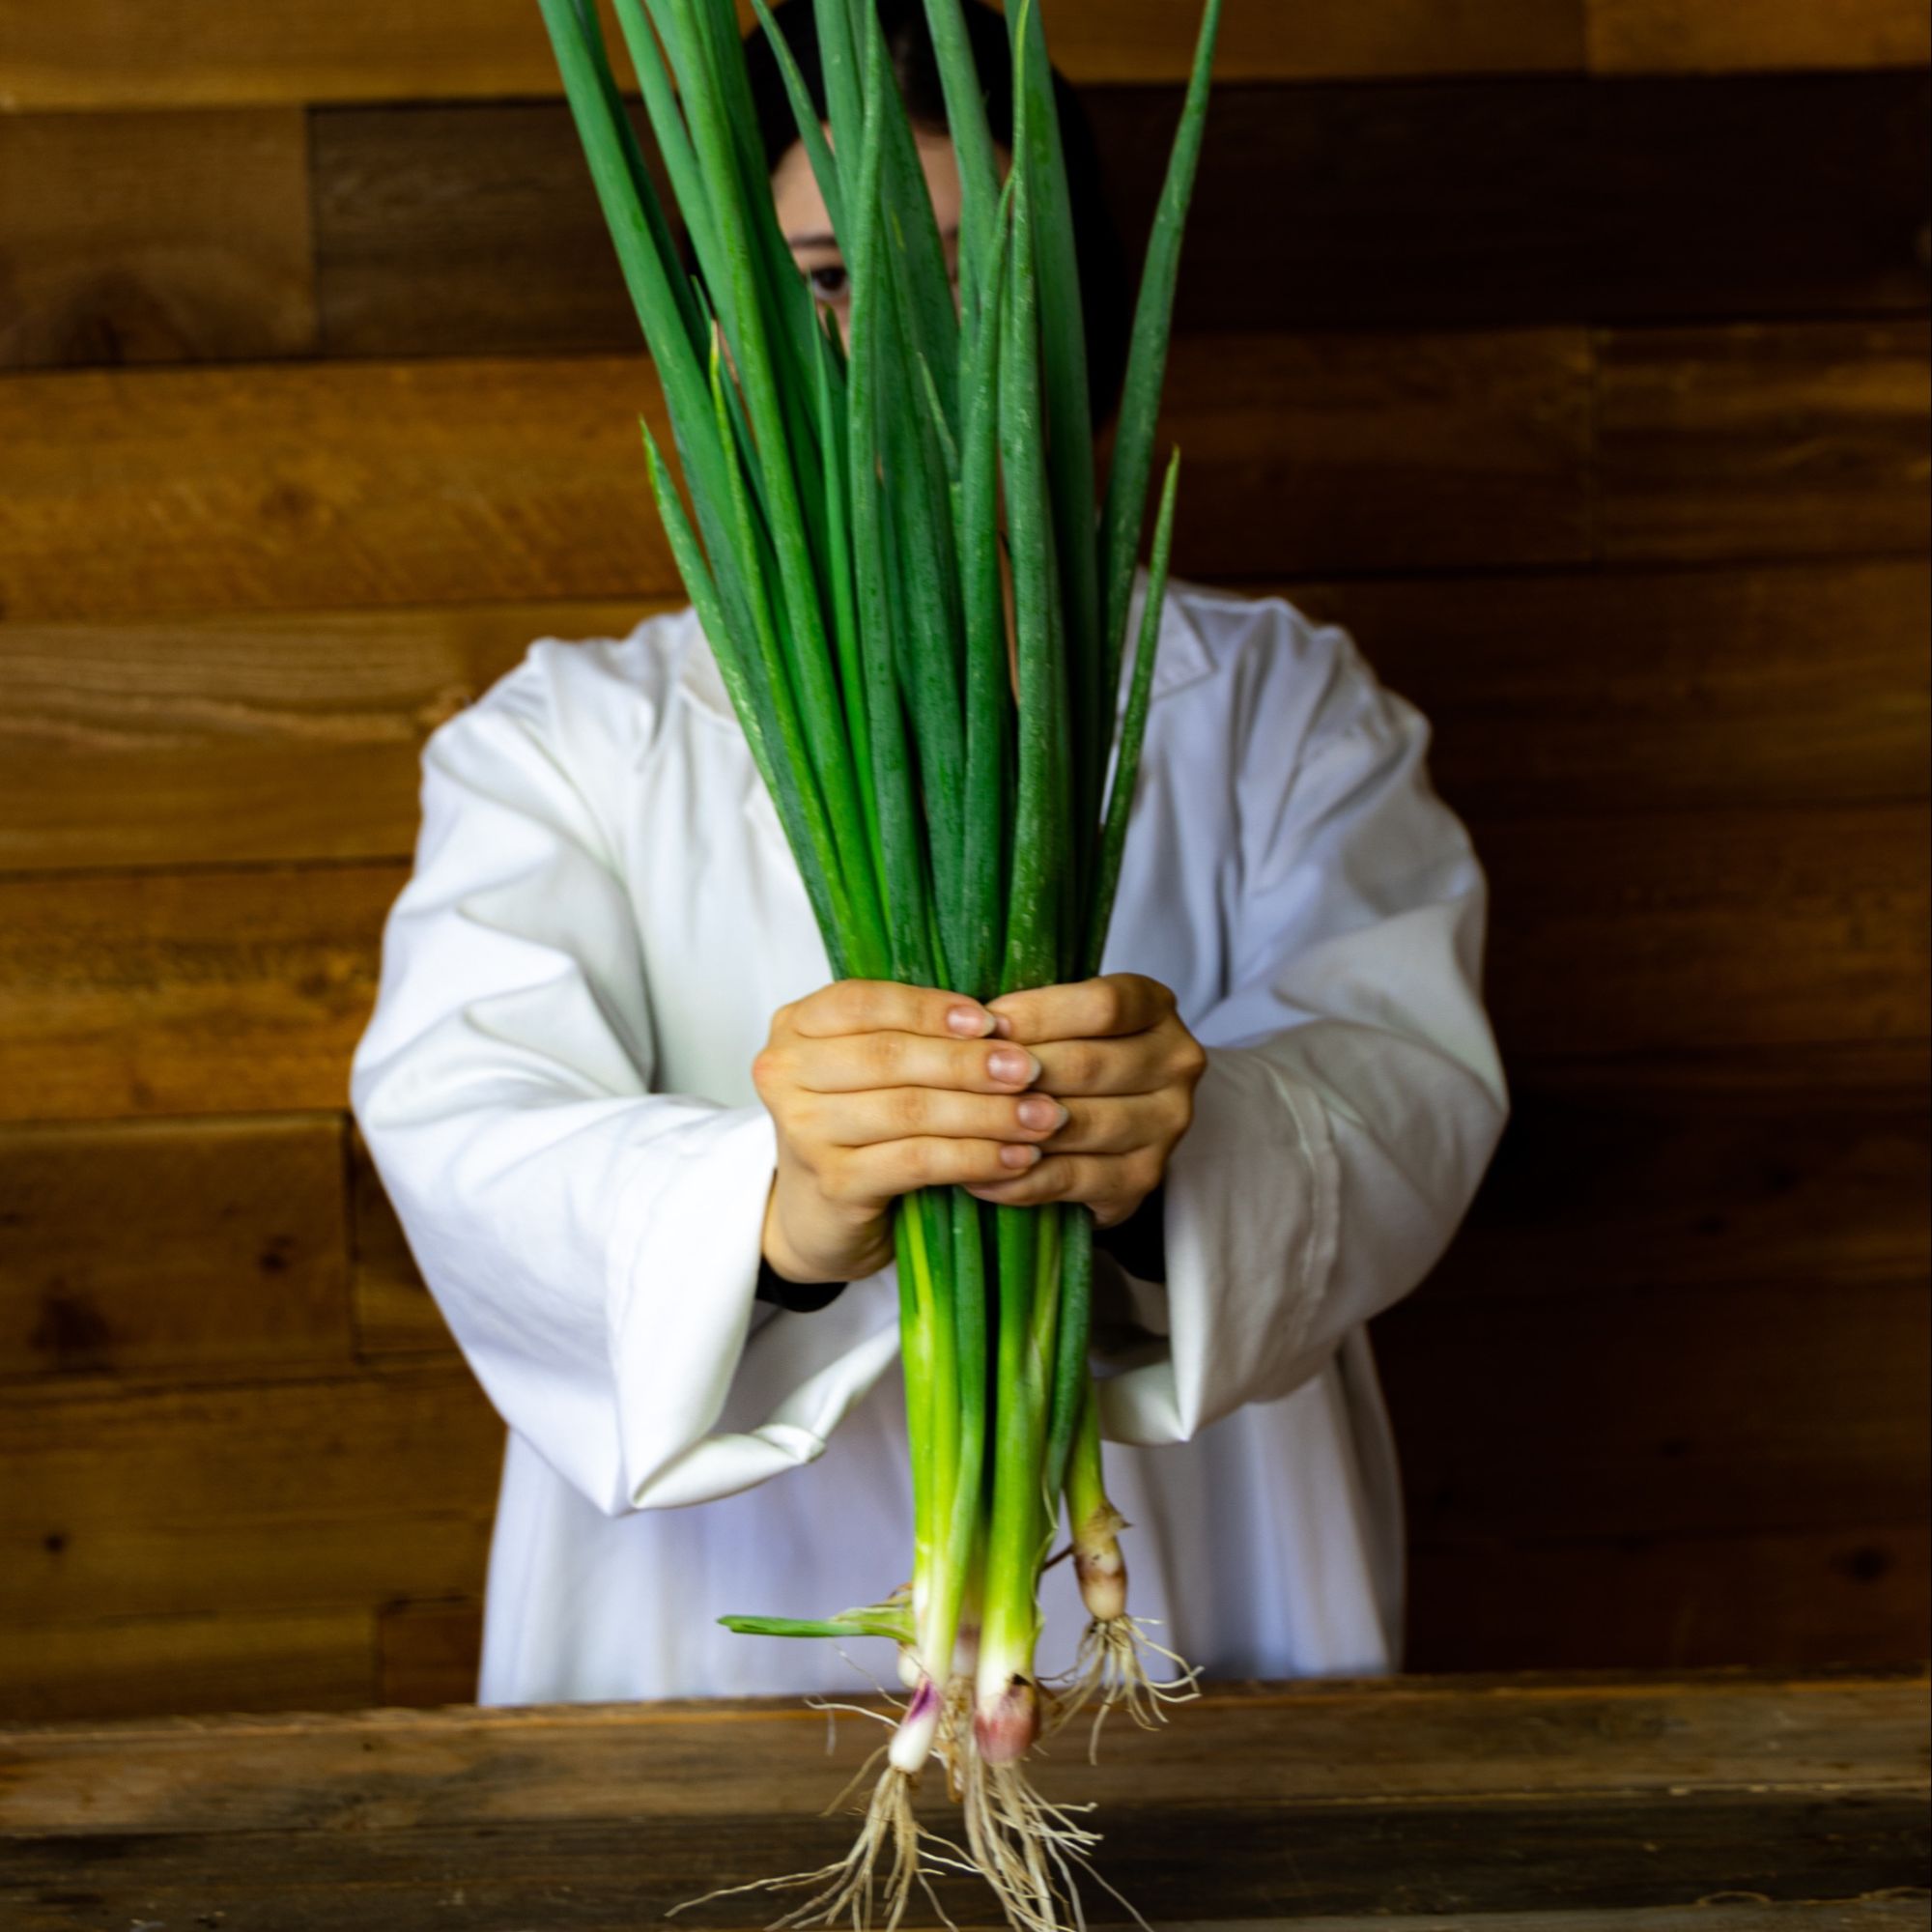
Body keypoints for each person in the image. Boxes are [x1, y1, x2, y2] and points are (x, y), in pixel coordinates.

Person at [350, 0, 1508, 1709]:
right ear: (717, 327)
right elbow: (464, 1138)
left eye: (982, 274)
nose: (900, 343)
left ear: (1086, 302)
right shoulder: (569, 743)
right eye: (823, 279)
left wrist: (1171, 1157)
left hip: (1200, 1605)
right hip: (702, 1645)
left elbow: (1416, 1093)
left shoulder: (1271, 700)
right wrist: (774, 1204)